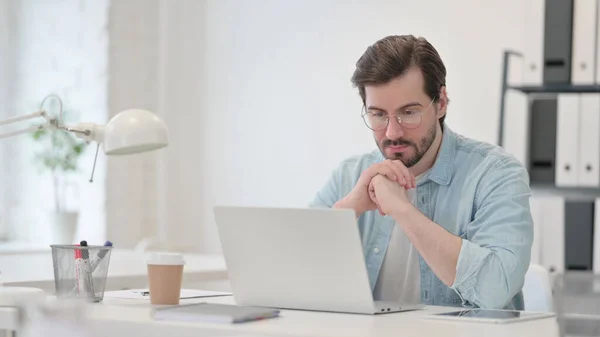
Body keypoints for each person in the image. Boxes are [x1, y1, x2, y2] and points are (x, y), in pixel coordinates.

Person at [310, 35, 533, 310]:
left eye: (409, 112)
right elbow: (290, 277)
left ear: (441, 103)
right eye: (378, 115)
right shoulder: (350, 175)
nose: (392, 132)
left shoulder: (496, 174)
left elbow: (494, 291)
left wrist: (402, 210)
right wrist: (349, 208)